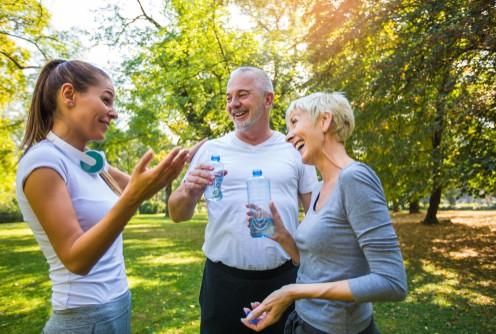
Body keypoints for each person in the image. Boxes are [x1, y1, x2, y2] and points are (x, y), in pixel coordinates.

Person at [15, 59, 198, 333]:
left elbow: (141, 186)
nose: (114, 113)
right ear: (69, 95)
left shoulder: (89, 159)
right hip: (83, 315)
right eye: (106, 100)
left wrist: (185, 166)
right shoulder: (44, 161)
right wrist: (133, 199)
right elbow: (76, 260)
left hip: (117, 304)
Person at [241, 92, 408, 333]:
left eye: (295, 122)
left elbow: (392, 283)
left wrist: (292, 292)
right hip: (307, 322)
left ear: (324, 121)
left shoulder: (354, 178)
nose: (288, 137)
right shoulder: (320, 187)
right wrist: (282, 236)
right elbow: (317, 265)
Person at [168, 66, 318, 334]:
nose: (233, 104)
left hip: (284, 280)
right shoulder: (211, 150)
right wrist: (188, 191)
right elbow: (177, 214)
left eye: (242, 95)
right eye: (228, 97)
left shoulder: (294, 149)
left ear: (268, 99)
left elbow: (316, 214)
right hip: (222, 283)